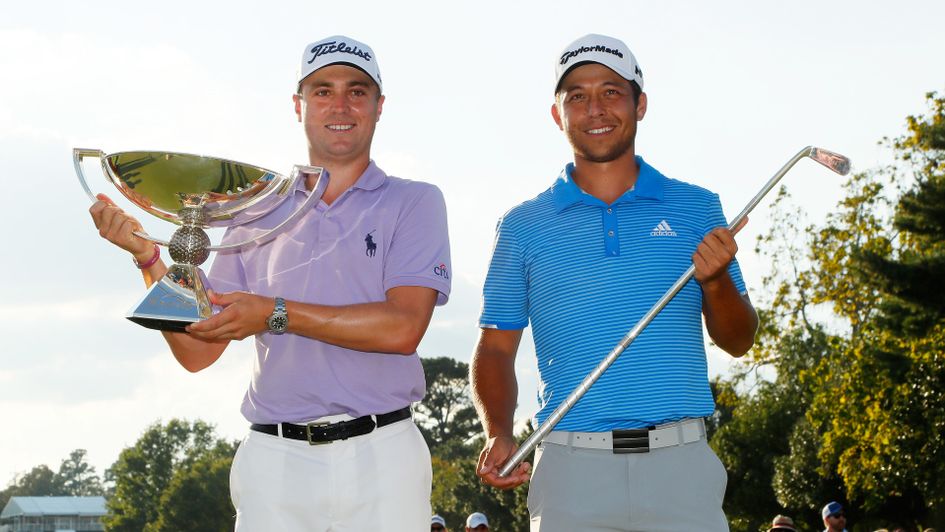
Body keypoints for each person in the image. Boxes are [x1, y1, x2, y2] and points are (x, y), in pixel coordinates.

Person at [89, 35, 451, 531]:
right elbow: (199, 352)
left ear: (379, 106)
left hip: (383, 454)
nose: (340, 105)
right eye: (322, 91)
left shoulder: (414, 202)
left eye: (357, 91)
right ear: (298, 105)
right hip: (275, 459)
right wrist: (150, 257)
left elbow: (403, 328)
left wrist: (275, 312)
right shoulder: (252, 207)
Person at [471, 33, 758, 531]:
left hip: (681, 464)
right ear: (557, 115)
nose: (595, 108)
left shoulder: (697, 207)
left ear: (639, 104)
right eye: (576, 96)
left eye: (610, 91)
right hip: (570, 469)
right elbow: (495, 349)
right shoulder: (522, 224)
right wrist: (498, 431)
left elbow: (739, 340)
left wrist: (715, 284)